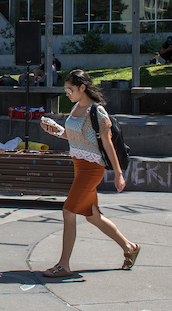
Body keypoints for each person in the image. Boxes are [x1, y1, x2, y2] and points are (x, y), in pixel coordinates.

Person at [39, 69, 139, 278]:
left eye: (70, 90)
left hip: (92, 168)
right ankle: (129, 247)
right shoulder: (76, 107)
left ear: (82, 88)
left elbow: (107, 143)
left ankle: (64, 265)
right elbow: (75, 136)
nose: (67, 93)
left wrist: (119, 174)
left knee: (68, 211)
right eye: (66, 90)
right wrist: (56, 130)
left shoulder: (97, 111)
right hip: (79, 165)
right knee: (93, 216)